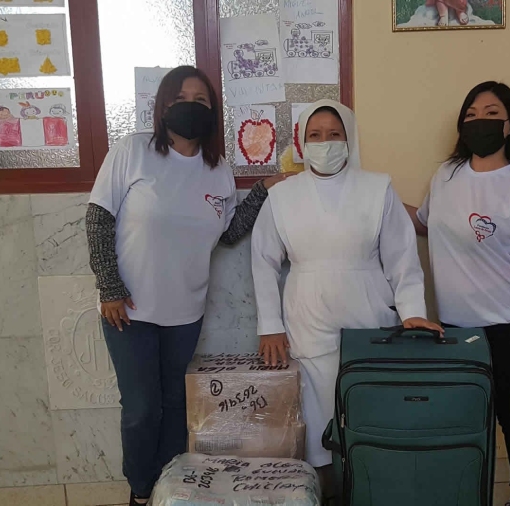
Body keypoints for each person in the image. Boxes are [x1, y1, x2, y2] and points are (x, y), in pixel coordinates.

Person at [85, 65, 292, 506]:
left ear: (213, 110)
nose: (191, 106)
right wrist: (109, 286)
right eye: (181, 98)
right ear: (163, 106)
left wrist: (263, 189)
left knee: (176, 405)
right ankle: (141, 492)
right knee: (142, 409)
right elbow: (99, 218)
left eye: (201, 100)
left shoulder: (217, 170)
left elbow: (229, 232)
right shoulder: (133, 151)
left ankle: (169, 488)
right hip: (129, 311)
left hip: (185, 313)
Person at [251, 99, 442, 499]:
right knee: (319, 422)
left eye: (334, 134)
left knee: (369, 414)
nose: (325, 143)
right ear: (302, 143)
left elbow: (402, 258)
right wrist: (270, 326)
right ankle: (328, 494)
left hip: (369, 321)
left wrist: (412, 313)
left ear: (349, 138)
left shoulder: (377, 189)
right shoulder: (283, 196)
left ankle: (373, 491)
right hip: (307, 321)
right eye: (315, 135)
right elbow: (264, 261)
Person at [405, 82, 510, 506]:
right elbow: (424, 223)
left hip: (507, 324)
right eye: (471, 114)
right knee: (463, 414)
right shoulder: (446, 176)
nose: (479, 121)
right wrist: (376, 201)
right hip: (454, 326)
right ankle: (464, 488)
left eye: (491, 113)